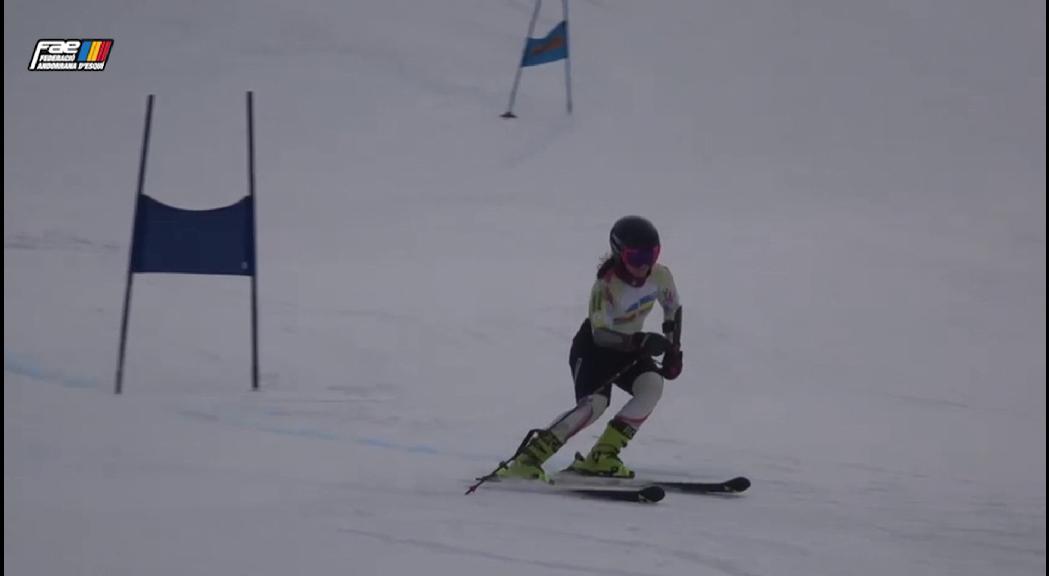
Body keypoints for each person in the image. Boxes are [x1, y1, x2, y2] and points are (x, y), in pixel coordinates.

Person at [498, 215, 683, 480]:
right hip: (594, 350)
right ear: (620, 255)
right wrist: (641, 342)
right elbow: (601, 335)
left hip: (629, 349)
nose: (645, 265)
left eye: (652, 255)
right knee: (594, 405)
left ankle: (603, 455)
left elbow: (672, 308)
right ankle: (528, 459)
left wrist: (674, 350)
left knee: (652, 386)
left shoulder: (660, 275)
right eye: (637, 258)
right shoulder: (605, 287)